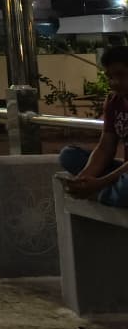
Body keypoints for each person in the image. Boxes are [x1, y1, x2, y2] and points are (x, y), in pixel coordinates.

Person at [58, 45, 128, 207]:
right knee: (69, 155)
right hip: (123, 171)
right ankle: (111, 191)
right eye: (110, 77)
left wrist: (100, 183)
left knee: (126, 189)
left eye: (121, 75)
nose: (115, 82)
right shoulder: (113, 102)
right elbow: (105, 147)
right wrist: (83, 179)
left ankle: (102, 194)